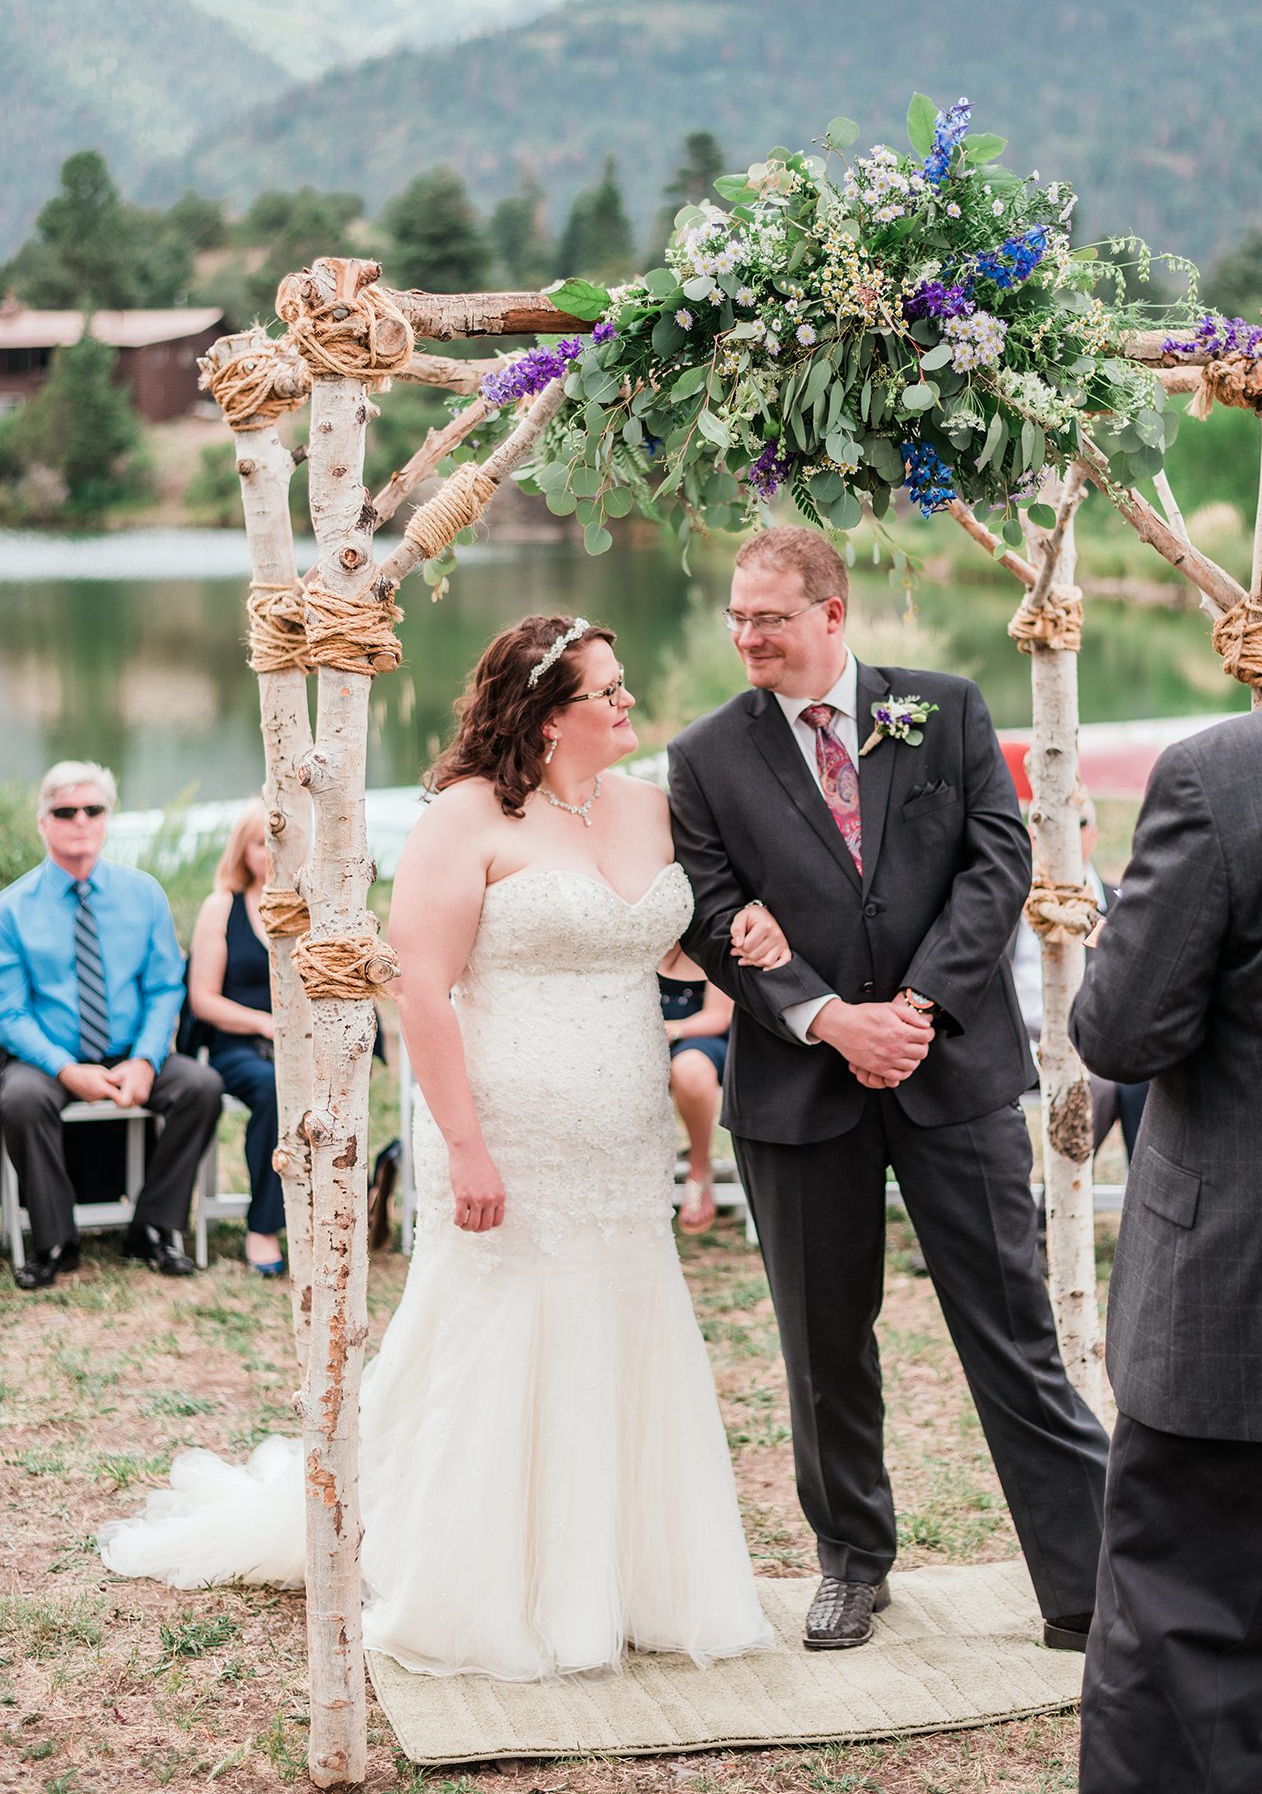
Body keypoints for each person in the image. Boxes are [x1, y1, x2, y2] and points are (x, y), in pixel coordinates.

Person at [100, 616, 775, 1682]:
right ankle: (480, 1581)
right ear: (553, 720)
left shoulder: (649, 806)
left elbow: (671, 935)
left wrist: (748, 937)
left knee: (625, 1330)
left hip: (623, 1133)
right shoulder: (466, 821)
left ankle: (625, 1577)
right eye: (609, 693)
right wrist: (464, 1146)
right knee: (498, 1346)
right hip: (507, 1126)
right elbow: (421, 986)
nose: (629, 706)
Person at [667, 525, 1109, 1653]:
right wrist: (828, 1017)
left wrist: (911, 1013)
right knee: (823, 1343)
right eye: (736, 614)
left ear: (831, 612)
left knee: (1010, 1327)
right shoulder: (705, 755)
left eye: (767, 615)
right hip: (797, 1089)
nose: (745, 633)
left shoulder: (947, 707)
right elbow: (715, 919)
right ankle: (852, 1564)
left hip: (947, 1066)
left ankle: (1090, 1580)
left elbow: (997, 861)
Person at [1071, 464, 1262, 1794]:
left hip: (1243, 1295)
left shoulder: (1226, 776)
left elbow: (1118, 1033)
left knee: (1185, 1646)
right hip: (1256, 1293)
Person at [0, 761, 222, 1289]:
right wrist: (66, 1069)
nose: (80, 820)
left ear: (107, 818)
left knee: (201, 1086)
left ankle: (152, 1227)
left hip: (129, 1052)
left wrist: (146, 1059)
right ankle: (55, 1241)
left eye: (92, 810)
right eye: (65, 811)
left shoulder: (143, 893)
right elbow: (10, 1012)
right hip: (48, 1061)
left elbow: (165, 987)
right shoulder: (11, 909)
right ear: (43, 823)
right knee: (18, 1099)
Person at [1011, 796, 1147, 1164]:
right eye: (1047, 823)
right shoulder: (1008, 898)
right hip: (1014, 1035)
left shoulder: (1118, 903)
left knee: (1115, 1081)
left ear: (1094, 835)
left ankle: (1069, 1206)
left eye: (1079, 823)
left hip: (1085, 1037)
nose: (1063, 834)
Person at [187, 801, 285, 1278]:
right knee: (272, 1090)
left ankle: (350, 1200)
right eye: (259, 842)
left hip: (300, 1048)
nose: (270, 852)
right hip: (238, 1046)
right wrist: (265, 1024)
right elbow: (203, 1000)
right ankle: (263, 1227)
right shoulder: (221, 907)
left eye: (279, 841)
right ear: (242, 850)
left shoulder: (313, 908)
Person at [659, 947, 733, 1231]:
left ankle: (699, 1168)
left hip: (703, 1037)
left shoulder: (711, 935)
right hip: (639, 1035)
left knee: (689, 1069)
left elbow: (718, 1016)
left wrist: (670, 1030)